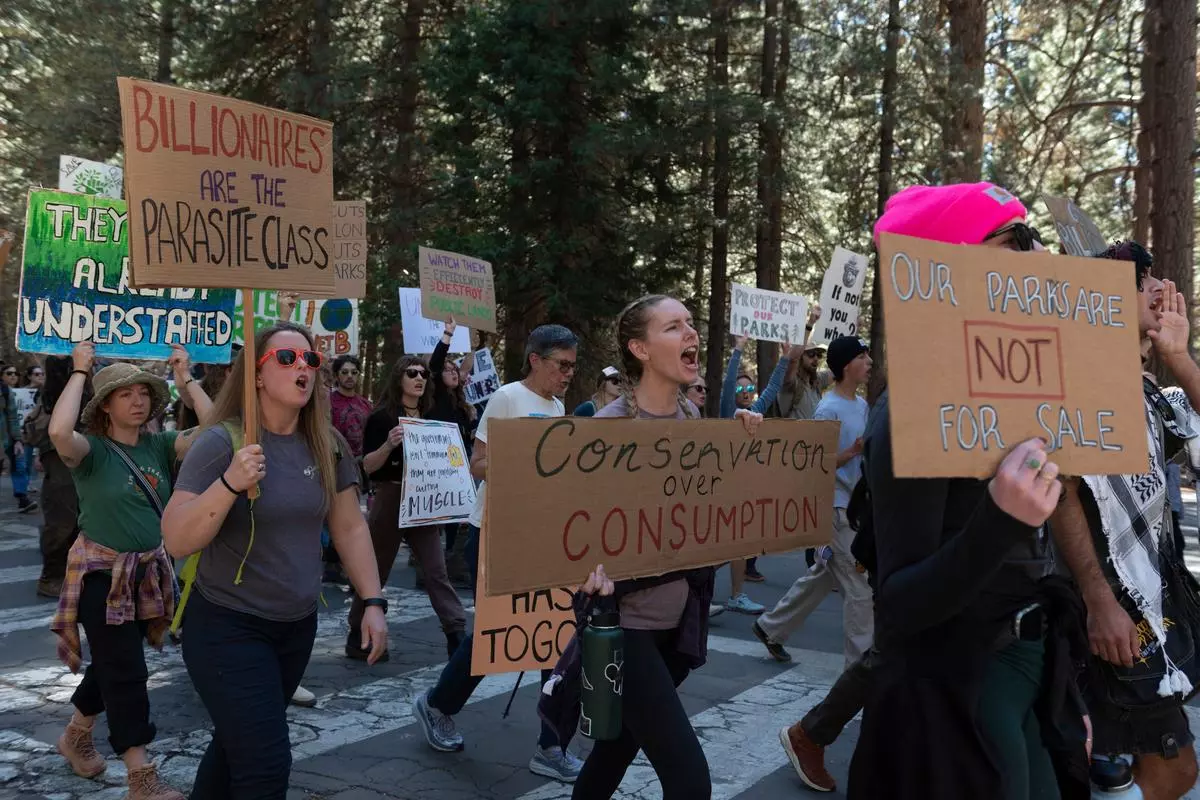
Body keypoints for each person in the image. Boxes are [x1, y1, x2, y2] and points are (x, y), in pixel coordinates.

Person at [846, 182, 1089, 800]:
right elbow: (900, 604)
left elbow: (1036, 564)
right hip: (957, 698)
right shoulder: (910, 416)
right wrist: (999, 520)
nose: (1040, 257)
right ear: (952, 271)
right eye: (1019, 242)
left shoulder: (1015, 393)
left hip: (1027, 675)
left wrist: (1066, 693)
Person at [545, 294, 761, 800]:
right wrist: (585, 569)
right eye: (673, 327)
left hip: (679, 626)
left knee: (614, 750)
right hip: (624, 628)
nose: (690, 333)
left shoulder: (705, 431)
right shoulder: (605, 431)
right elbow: (566, 528)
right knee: (690, 782)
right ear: (640, 348)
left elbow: (722, 514)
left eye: (690, 324)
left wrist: (748, 443)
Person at [161, 322, 388, 799]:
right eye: (287, 359)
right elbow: (177, 538)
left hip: (295, 629)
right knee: (265, 765)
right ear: (257, 376)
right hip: (226, 627)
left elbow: (348, 527)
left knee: (235, 747)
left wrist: (373, 601)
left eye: (310, 360)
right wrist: (229, 483)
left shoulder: (327, 444)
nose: (302, 367)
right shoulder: (222, 443)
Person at [1050, 241, 1200, 800]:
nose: (1162, 291)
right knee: (1172, 768)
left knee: (1146, 761)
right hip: (1114, 607)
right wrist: (1099, 601)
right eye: (1145, 283)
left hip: (1155, 601)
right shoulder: (1080, 389)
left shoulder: (1148, 394)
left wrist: (1181, 358)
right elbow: (1063, 492)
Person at [412, 324, 586, 783]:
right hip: (496, 531)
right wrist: (528, 457)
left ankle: (551, 744)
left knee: (555, 633)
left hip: (543, 533)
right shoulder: (508, 398)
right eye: (561, 364)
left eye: (572, 366)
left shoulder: (557, 406)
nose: (568, 374)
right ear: (535, 359)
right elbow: (478, 464)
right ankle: (436, 704)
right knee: (497, 634)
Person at [48, 342, 212, 800]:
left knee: (113, 666)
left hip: (147, 577)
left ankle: (76, 736)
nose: (138, 400)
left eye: (143, 392)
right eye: (125, 394)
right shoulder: (92, 451)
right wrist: (81, 370)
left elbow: (217, 431)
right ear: (104, 407)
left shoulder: (160, 445)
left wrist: (186, 381)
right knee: (126, 671)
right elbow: (61, 431)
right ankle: (141, 775)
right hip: (101, 578)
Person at [752, 335, 873, 668]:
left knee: (827, 573)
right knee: (860, 588)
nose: (870, 363)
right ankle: (860, 674)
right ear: (848, 365)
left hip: (854, 505)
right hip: (834, 508)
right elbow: (813, 462)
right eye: (864, 357)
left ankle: (770, 627)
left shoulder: (861, 406)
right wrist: (851, 453)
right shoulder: (828, 408)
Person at [350, 354, 467, 661]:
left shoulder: (433, 415)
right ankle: (357, 633)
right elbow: (369, 468)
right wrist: (389, 445)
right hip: (391, 495)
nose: (419, 378)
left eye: (423, 374)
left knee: (435, 569)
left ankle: (456, 634)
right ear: (398, 378)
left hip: (424, 499)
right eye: (411, 373)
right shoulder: (381, 418)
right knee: (376, 568)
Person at [28, 357, 85, 598]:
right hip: (60, 466)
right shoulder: (52, 394)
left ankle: (69, 575)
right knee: (62, 524)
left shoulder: (78, 390)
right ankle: (51, 577)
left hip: (74, 463)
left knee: (77, 523)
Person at [428, 320, 477, 586]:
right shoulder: (435, 397)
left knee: (456, 516)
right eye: (448, 370)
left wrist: (474, 348)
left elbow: (467, 367)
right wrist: (448, 334)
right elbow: (435, 364)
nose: (453, 372)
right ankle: (431, 563)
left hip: (458, 464)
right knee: (437, 514)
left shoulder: (462, 406)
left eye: (454, 369)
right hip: (435, 462)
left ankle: (450, 559)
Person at [0, 363, 34, 513]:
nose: (13, 376)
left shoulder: (5, 391)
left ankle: (23, 499)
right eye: (9, 373)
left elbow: (12, 417)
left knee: (18, 465)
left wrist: (17, 439)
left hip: (6, 438)